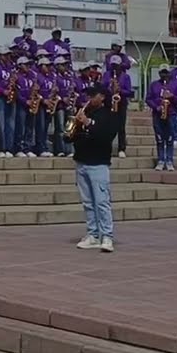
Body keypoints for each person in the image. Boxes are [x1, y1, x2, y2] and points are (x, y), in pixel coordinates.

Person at [71, 84, 117, 252]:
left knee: (102, 202)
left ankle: (107, 236)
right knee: (88, 202)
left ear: (102, 97)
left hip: (98, 164)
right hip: (82, 161)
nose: (89, 98)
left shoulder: (108, 115)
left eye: (93, 95)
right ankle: (93, 234)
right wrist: (74, 126)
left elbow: (105, 136)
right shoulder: (85, 112)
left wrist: (87, 122)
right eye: (88, 95)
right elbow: (71, 137)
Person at [147, 65, 176, 171]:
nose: (164, 75)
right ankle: (161, 160)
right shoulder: (154, 85)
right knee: (159, 138)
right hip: (157, 114)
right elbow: (148, 99)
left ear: (169, 73)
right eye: (162, 73)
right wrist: (156, 107)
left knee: (170, 138)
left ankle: (169, 160)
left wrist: (172, 96)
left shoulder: (174, 85)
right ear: (159, 74)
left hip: (171, 114)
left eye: (166, 73)